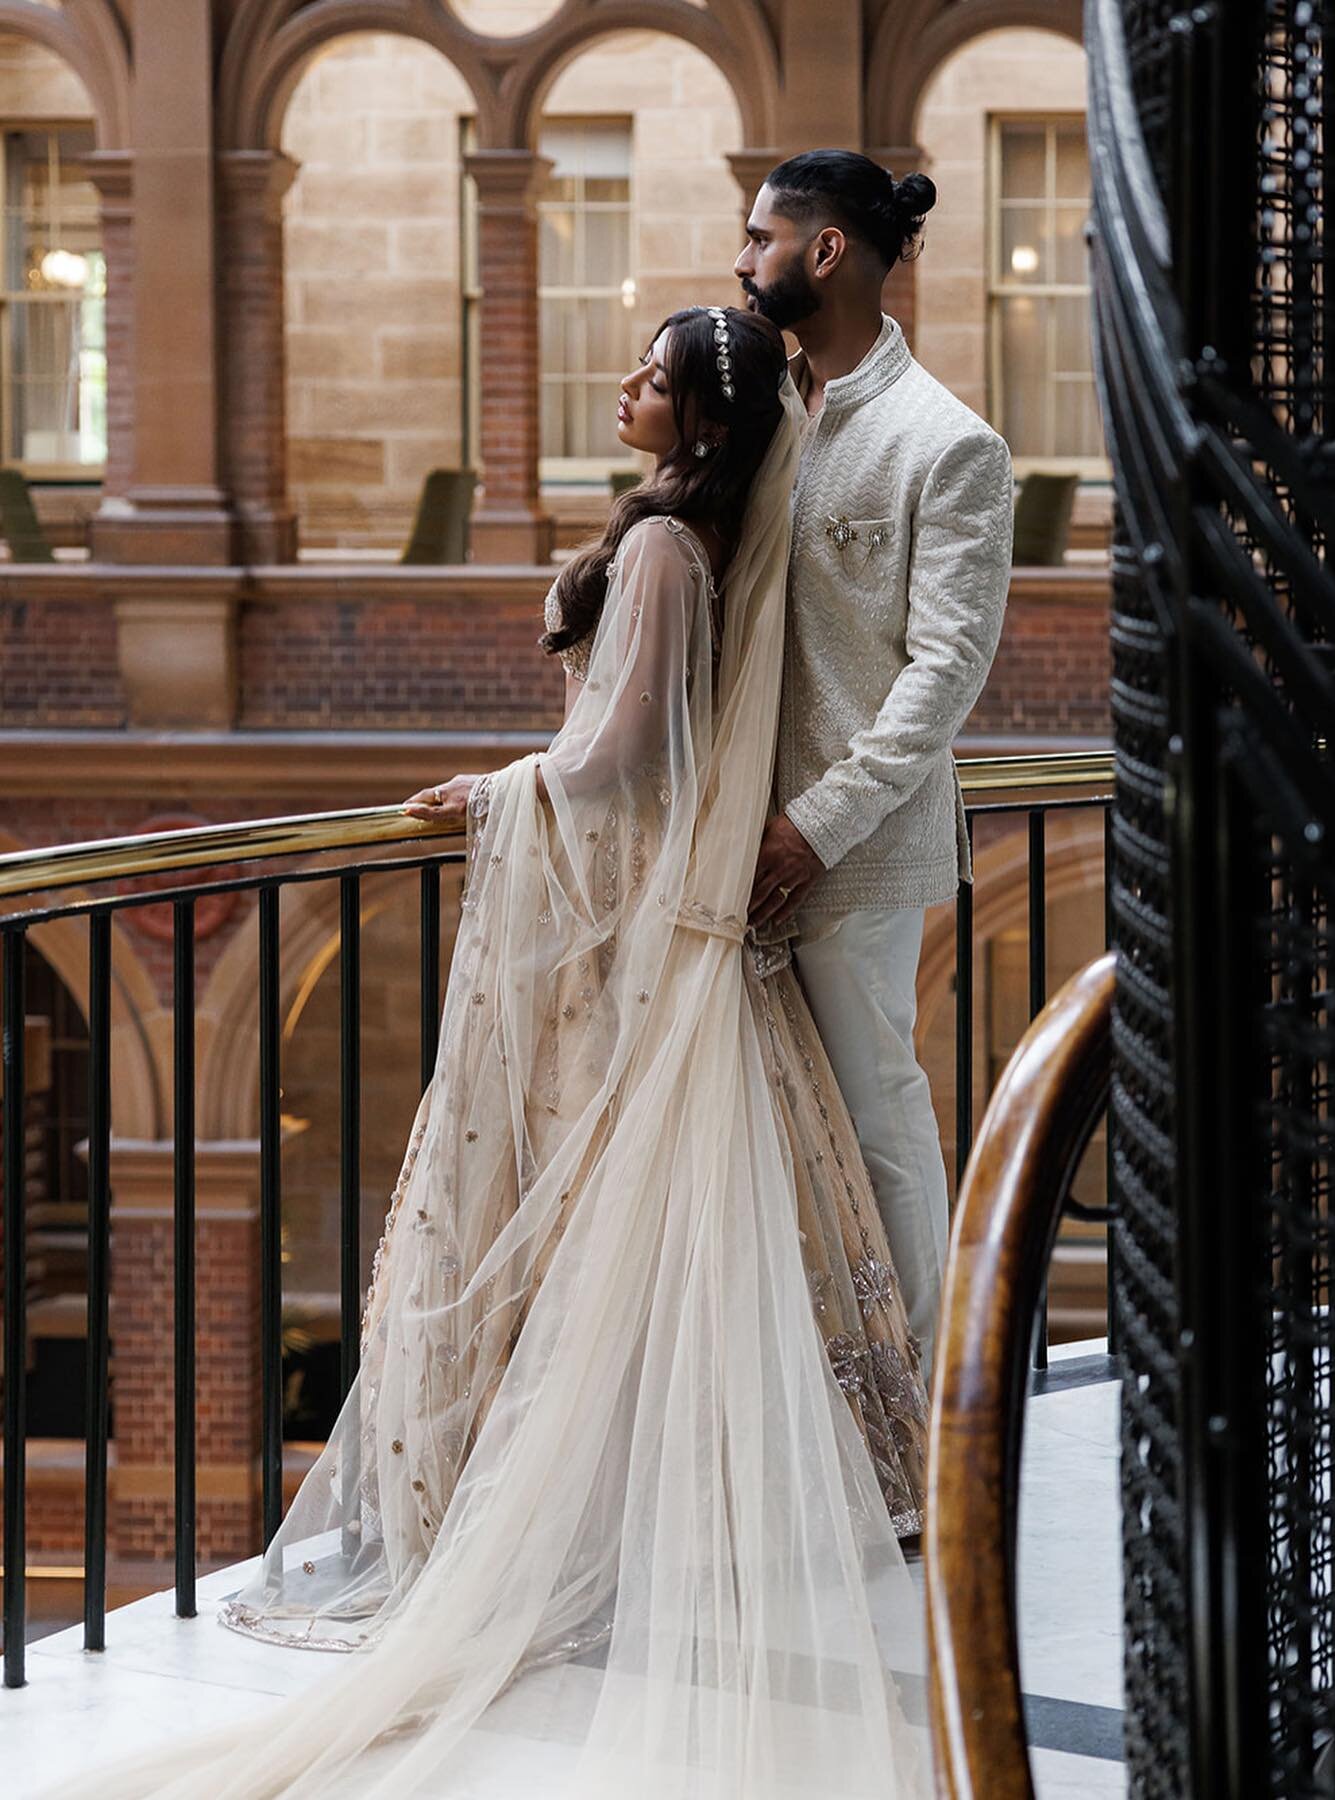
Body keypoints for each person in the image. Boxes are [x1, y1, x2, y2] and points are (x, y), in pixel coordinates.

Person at [61, 307, 932, 1800]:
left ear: (703, 414)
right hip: (648, 883)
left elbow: (622, 741)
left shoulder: (663, 547)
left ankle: (587, 1508)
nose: (623, 389)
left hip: (620, 884)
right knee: (646, 1190)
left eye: (650, 378)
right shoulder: (678, 530)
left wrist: (495, 788)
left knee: (603, 1184)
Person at [737, 150, 1014, 1388]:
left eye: (761, 238)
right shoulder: (765, 411)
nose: (743, 262)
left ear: (827, 251)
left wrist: (815, 826)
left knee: (880, 1122)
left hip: (848, 855)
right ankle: (807, 1412)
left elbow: (945, 674)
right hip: (732, 847)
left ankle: (930, 1407)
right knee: (764, 1132)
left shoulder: (949, 445)